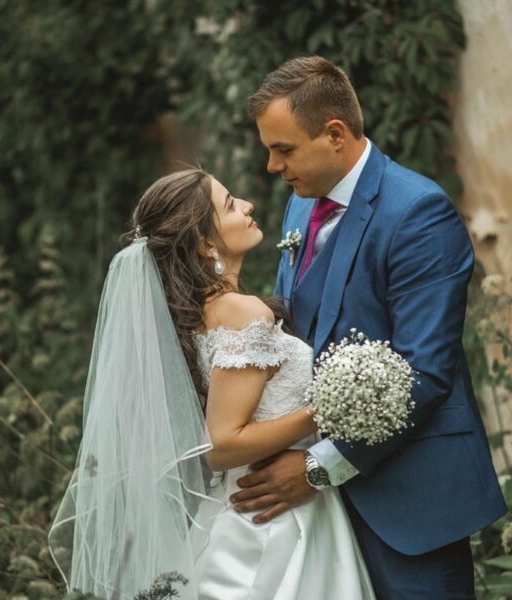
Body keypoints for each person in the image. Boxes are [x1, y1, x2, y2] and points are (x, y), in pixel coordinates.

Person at [229, 56, 507, 599]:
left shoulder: (418, 212)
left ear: (334, 134)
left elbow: (423, 372)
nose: (271, 166)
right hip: (320, 518)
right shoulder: (298, 205)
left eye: (282, 148)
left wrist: (316, 467)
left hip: (410, 499)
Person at [49, 169, 375, 599]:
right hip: (273, 524)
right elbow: (222, 444)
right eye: (230, 204)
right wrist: (329, 409)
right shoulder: (243, 313)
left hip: (259, 507)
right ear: (205, 243)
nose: (247, 205)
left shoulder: (203, 314)